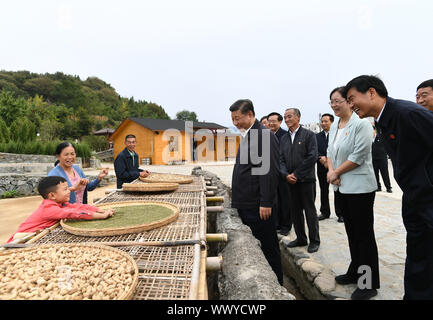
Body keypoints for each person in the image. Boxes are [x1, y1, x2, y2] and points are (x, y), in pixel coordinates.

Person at [343, 75, 433, 300]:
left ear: (371, 92)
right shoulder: (381, 120)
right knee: (418, 255)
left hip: (425, 196)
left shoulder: (407, 113)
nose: (349, 104)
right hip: (414, 198)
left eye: (351, 98)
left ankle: (368, 284)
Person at [326, 86, 380, 300]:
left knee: (363, 236)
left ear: (349, 101)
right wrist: (332, 171)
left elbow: (359, 155)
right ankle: (355, 271)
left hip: (360, 189)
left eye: (338, 101)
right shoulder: (335, 126)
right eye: (331, 102)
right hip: (341, 186)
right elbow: (330, 151)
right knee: (351, 233)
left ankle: (368, 283)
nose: (334, 105)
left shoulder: (362, 125)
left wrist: (336, 171)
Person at [230, 99, 283, 285]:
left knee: (268, 248)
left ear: (250, 115)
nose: (235, 123)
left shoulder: (263, 136)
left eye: (238, 119)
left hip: (258, 205)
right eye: (232, 120)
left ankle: (277, 287)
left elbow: (268, 172)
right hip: (247, 202)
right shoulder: (249, 134)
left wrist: (266, 202)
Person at [7, 176, 114, 243]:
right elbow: (75, 213)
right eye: (65, 189)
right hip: (21, 239)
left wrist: (99, 210)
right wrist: (102, 216)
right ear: (52, 195)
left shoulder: (60, 203)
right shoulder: (49, 208)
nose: (69, 191)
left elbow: (78, 207)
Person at [280, 108, 320, 253]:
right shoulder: (284, 138)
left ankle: (314, 240)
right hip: (290, 181)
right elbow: (280, 160)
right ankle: (301, 238)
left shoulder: (309, 135)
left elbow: (312, 156)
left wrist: (296, 174)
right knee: (295, 211)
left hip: (306, 180)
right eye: (285, 117)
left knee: (310, 211)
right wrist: (285, 174)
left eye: (289, 116)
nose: (287, 119)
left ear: (298, 117)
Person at [267, 112, 292, 236]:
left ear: (280, 122)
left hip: (283, 173)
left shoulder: (285, 135)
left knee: (285, 200)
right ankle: (276, 224)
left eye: (274, 121)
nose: (271, 123)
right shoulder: (266, 135)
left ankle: (286, 225)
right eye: (269, 121)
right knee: (274, 200)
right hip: (270, 174)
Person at [316, 113, 339, 221]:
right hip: (321, 167)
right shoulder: (316, 136)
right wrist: (320, 158)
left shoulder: (337, 134)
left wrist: (329, 160)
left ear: (332, 122)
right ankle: (325, 212)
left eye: (326, 121)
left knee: (337, 190)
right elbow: (313, 150)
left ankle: (341, 213)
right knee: (323, 190)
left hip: (335, 168)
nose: (323, 123)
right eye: (322, 121)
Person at [372, 127, 392, 193]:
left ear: (375, 130)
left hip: (382, 158)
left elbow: (387, 145)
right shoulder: (370, 139)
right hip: (373, 158)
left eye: (373, 130)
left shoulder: (381, 137)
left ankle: (388, 187)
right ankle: (378, 187)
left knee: (385, 173)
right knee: (375, 174)